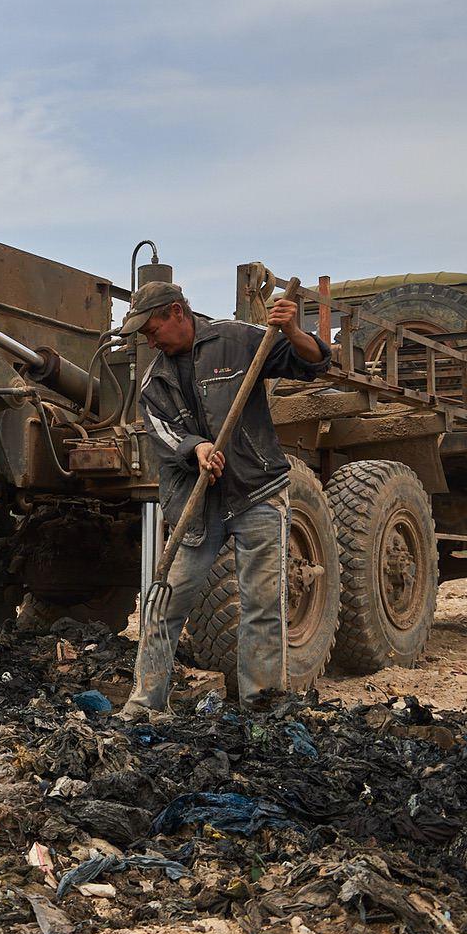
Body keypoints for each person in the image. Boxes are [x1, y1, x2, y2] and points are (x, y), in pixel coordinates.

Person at [123, 281, 328, 711]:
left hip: (256, 491)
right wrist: (195, 448)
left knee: (262, 608)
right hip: (199, 505)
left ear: (177, 312)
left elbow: (311, 363)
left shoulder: (235, 339)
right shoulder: (152, 382)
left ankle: (260, 707)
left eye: (152, 327)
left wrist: (292, 330)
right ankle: (144, 706)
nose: (149, 339)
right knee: (164, 602)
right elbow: (162, 436)